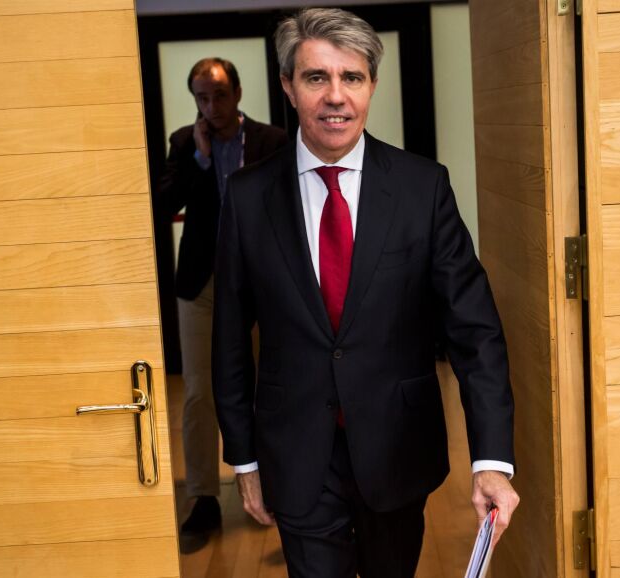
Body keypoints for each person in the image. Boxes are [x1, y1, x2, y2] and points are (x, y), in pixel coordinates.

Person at [212, 8, 518, 577]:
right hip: (295, 450)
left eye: (351, 77)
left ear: (372, 84)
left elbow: (475, 333)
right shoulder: (248, 197)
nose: (336, 96)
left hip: (397, 448)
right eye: (316, 77)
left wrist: (492, 460)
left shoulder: (423, 187)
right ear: (288, 86)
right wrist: (244, 459)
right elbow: (229, 338)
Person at [155, 57, 288, 541]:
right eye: (202, 98)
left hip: (261, 282)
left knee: (269, 385)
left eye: (219, 96)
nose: (211, 106)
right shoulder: (185, 143)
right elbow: (163, 204)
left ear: (237, 93)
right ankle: (204, 497)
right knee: (198, 392)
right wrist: (201, 158)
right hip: (202, 283)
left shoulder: (273, 141)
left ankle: (273, 486)